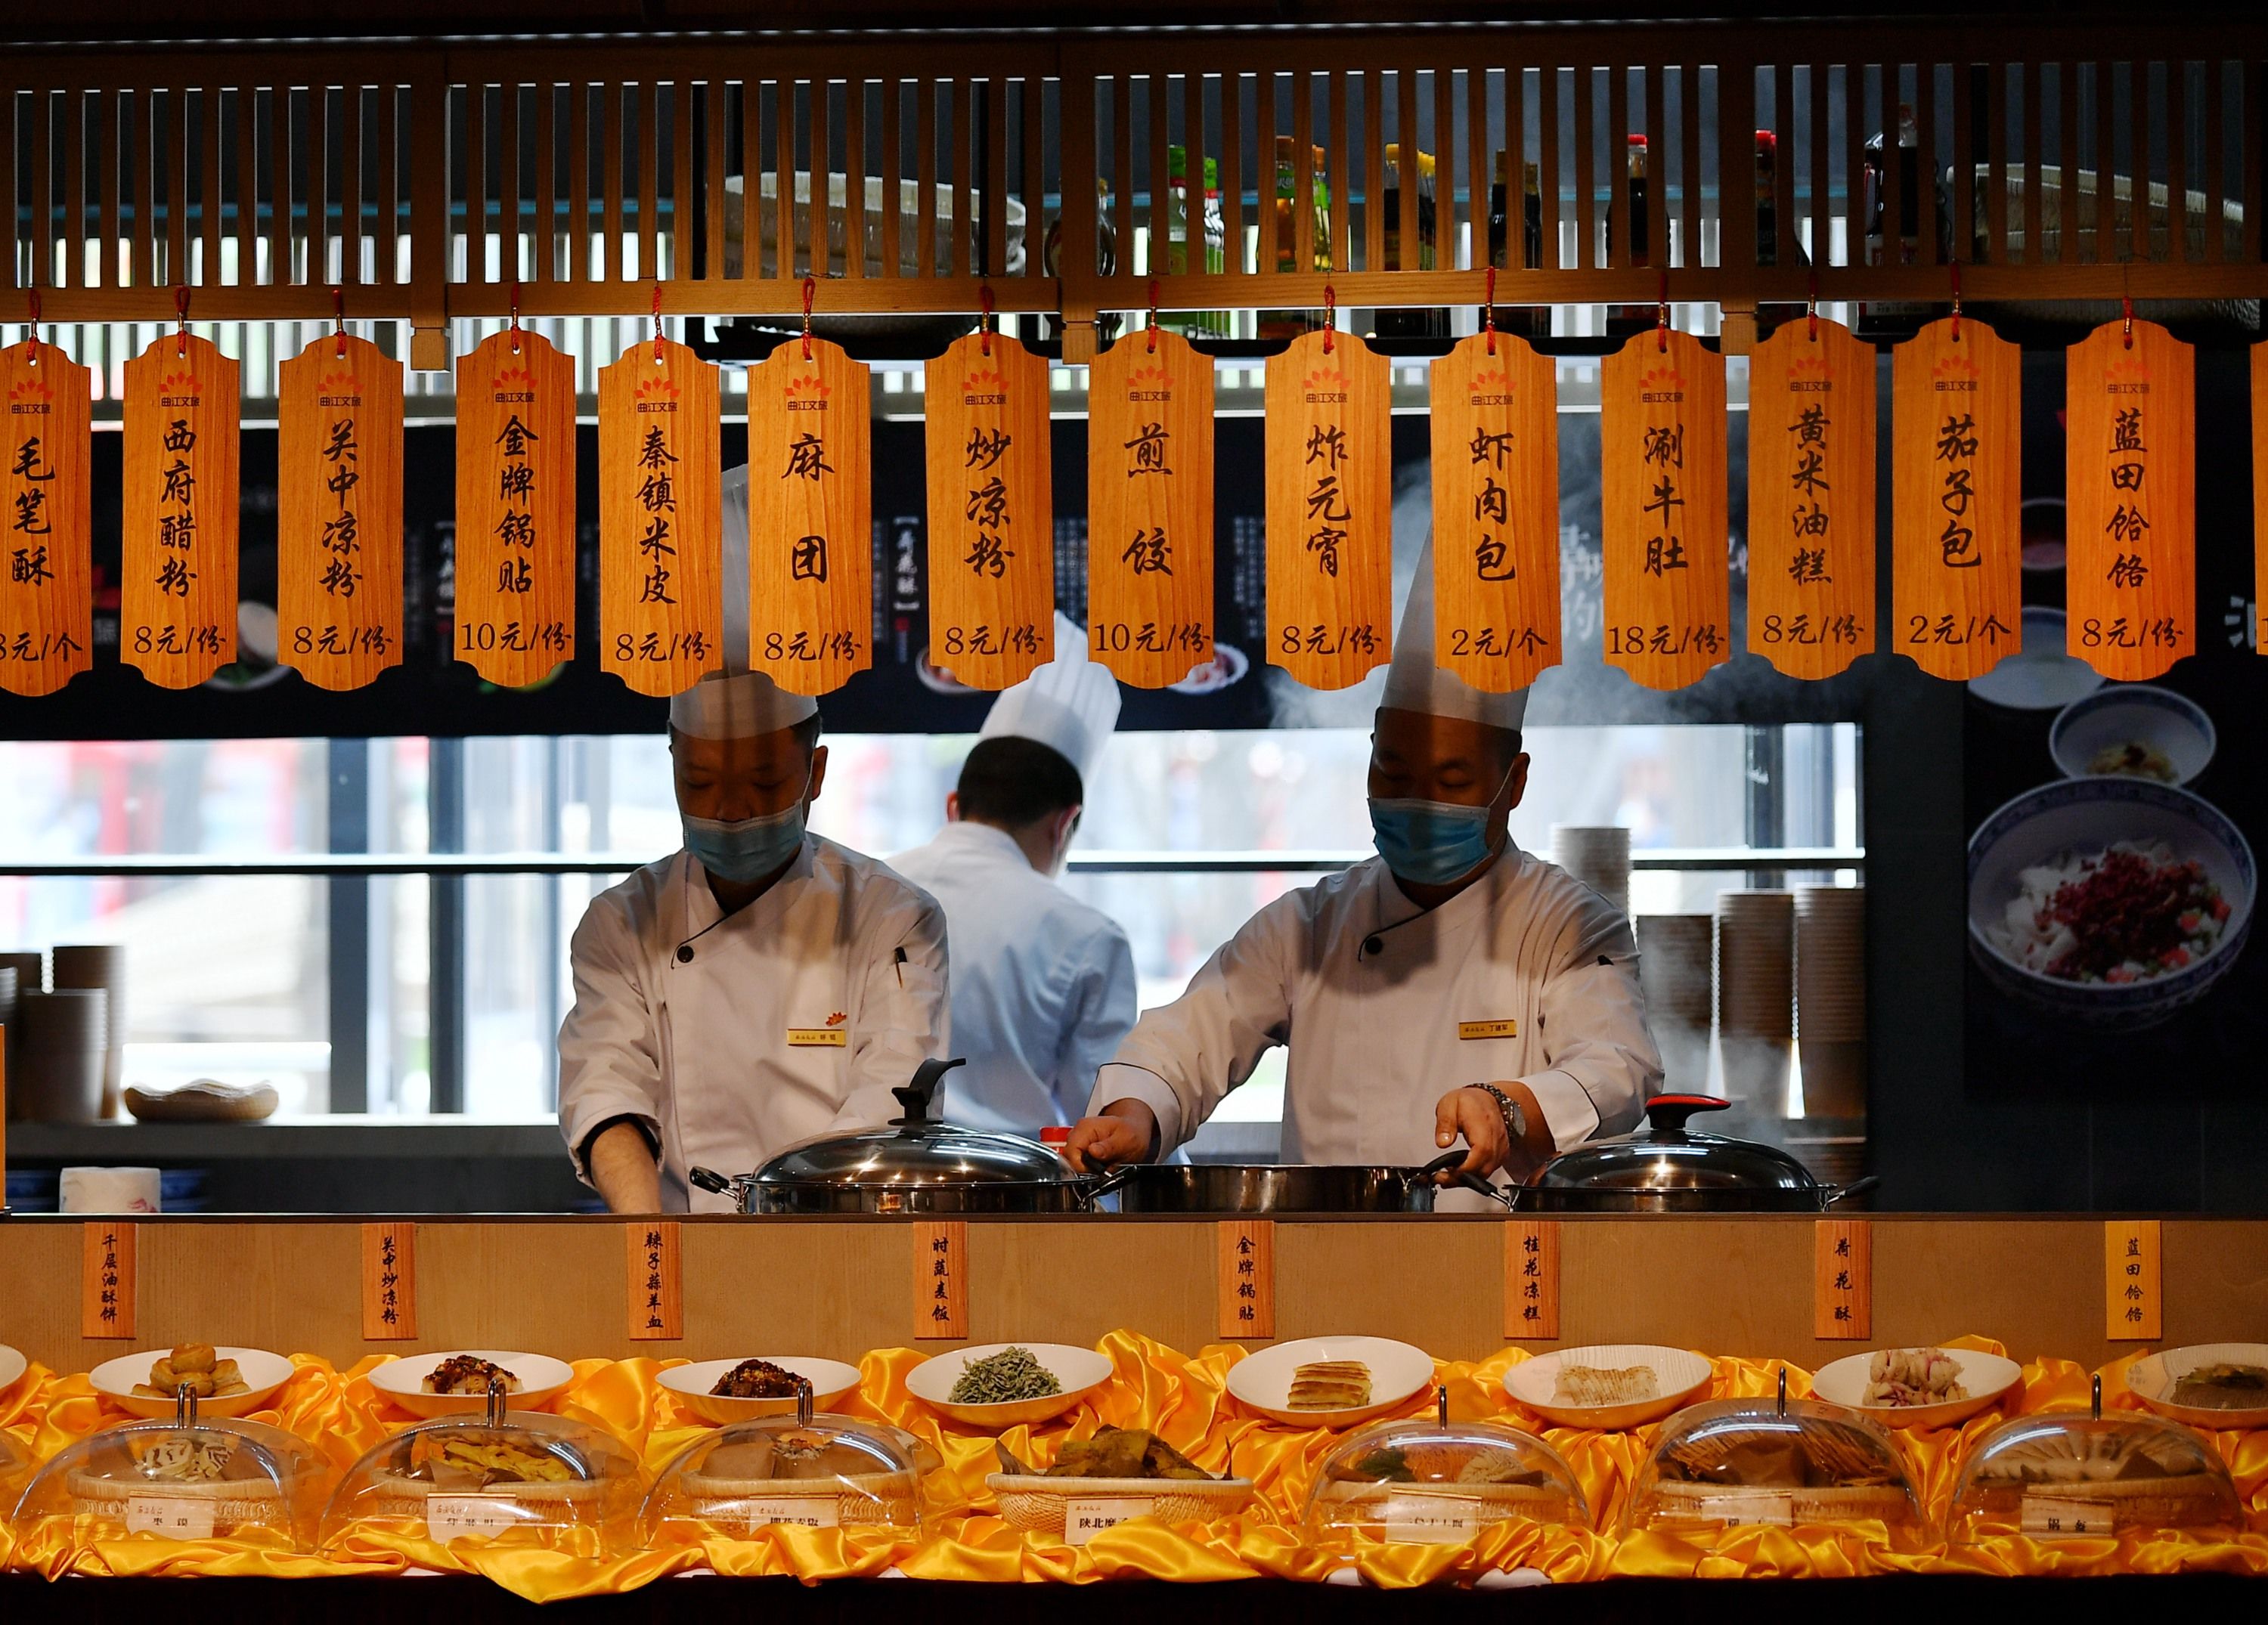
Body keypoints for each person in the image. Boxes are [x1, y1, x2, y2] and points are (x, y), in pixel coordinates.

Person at [1063, 542, 1661, 1205]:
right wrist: (1135, 1114)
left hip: (1489, 1258)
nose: (1418, 801)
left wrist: (1510, 1106)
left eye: (1452, 781)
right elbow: (1190, 1035)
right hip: (1320, 1253)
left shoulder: (1566, 926)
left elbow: (1617, 1067)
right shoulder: (1309, 926)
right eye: (1394, 773)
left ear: (1514, 783)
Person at [557, 467, 950, 1212]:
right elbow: (604, 1087)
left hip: (837, 1236)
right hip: (677, 1238)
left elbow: (891, 1103)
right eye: (701, 783)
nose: (731, 811)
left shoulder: (894, 918)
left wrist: (783, 1248)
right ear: (671, 766)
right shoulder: (621, 924)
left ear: (816, 773)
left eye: (765, 782)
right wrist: (648, 1238)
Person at [892, 620, 1139, 1134]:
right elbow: (1108, 1122)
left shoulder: (871, 888)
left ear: (954, 805)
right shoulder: (1088, 936)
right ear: (1064, 824)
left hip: (869, 1174)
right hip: (1012, 1181)